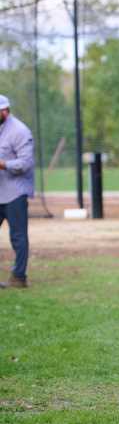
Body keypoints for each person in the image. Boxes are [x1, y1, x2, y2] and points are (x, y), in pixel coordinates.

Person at [0, 95, 34, 289]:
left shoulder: (20, 131)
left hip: (15, 193)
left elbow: (26, 163)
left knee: (18, 236)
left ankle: (19, 277)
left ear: (4, 112)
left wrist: (3, 164)